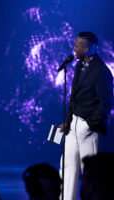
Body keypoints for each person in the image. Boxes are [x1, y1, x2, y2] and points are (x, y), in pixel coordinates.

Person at [59, 32, 113, 200]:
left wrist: (89, 124)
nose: (74, 49)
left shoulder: (101, 71)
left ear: (87, 48)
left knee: (90, 172)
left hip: (87, 128)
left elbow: (106, 103)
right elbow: (74, 98)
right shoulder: (79, 65)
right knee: (66, 168)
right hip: (73, 125)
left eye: (77, 46)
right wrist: (68, 121)